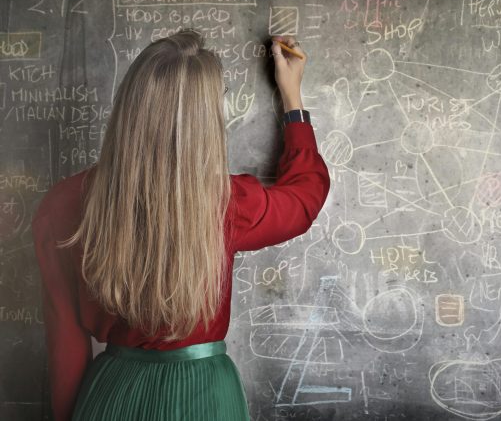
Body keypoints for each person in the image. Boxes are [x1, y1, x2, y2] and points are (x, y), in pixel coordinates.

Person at [31, 30, 330, 420]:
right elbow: (306, 197)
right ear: (206, 119)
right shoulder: (228, 203)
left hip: (111, 395)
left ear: (129, 106)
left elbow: (65, 347)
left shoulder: (63, 205)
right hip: (204, 395)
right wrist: (292, 100)